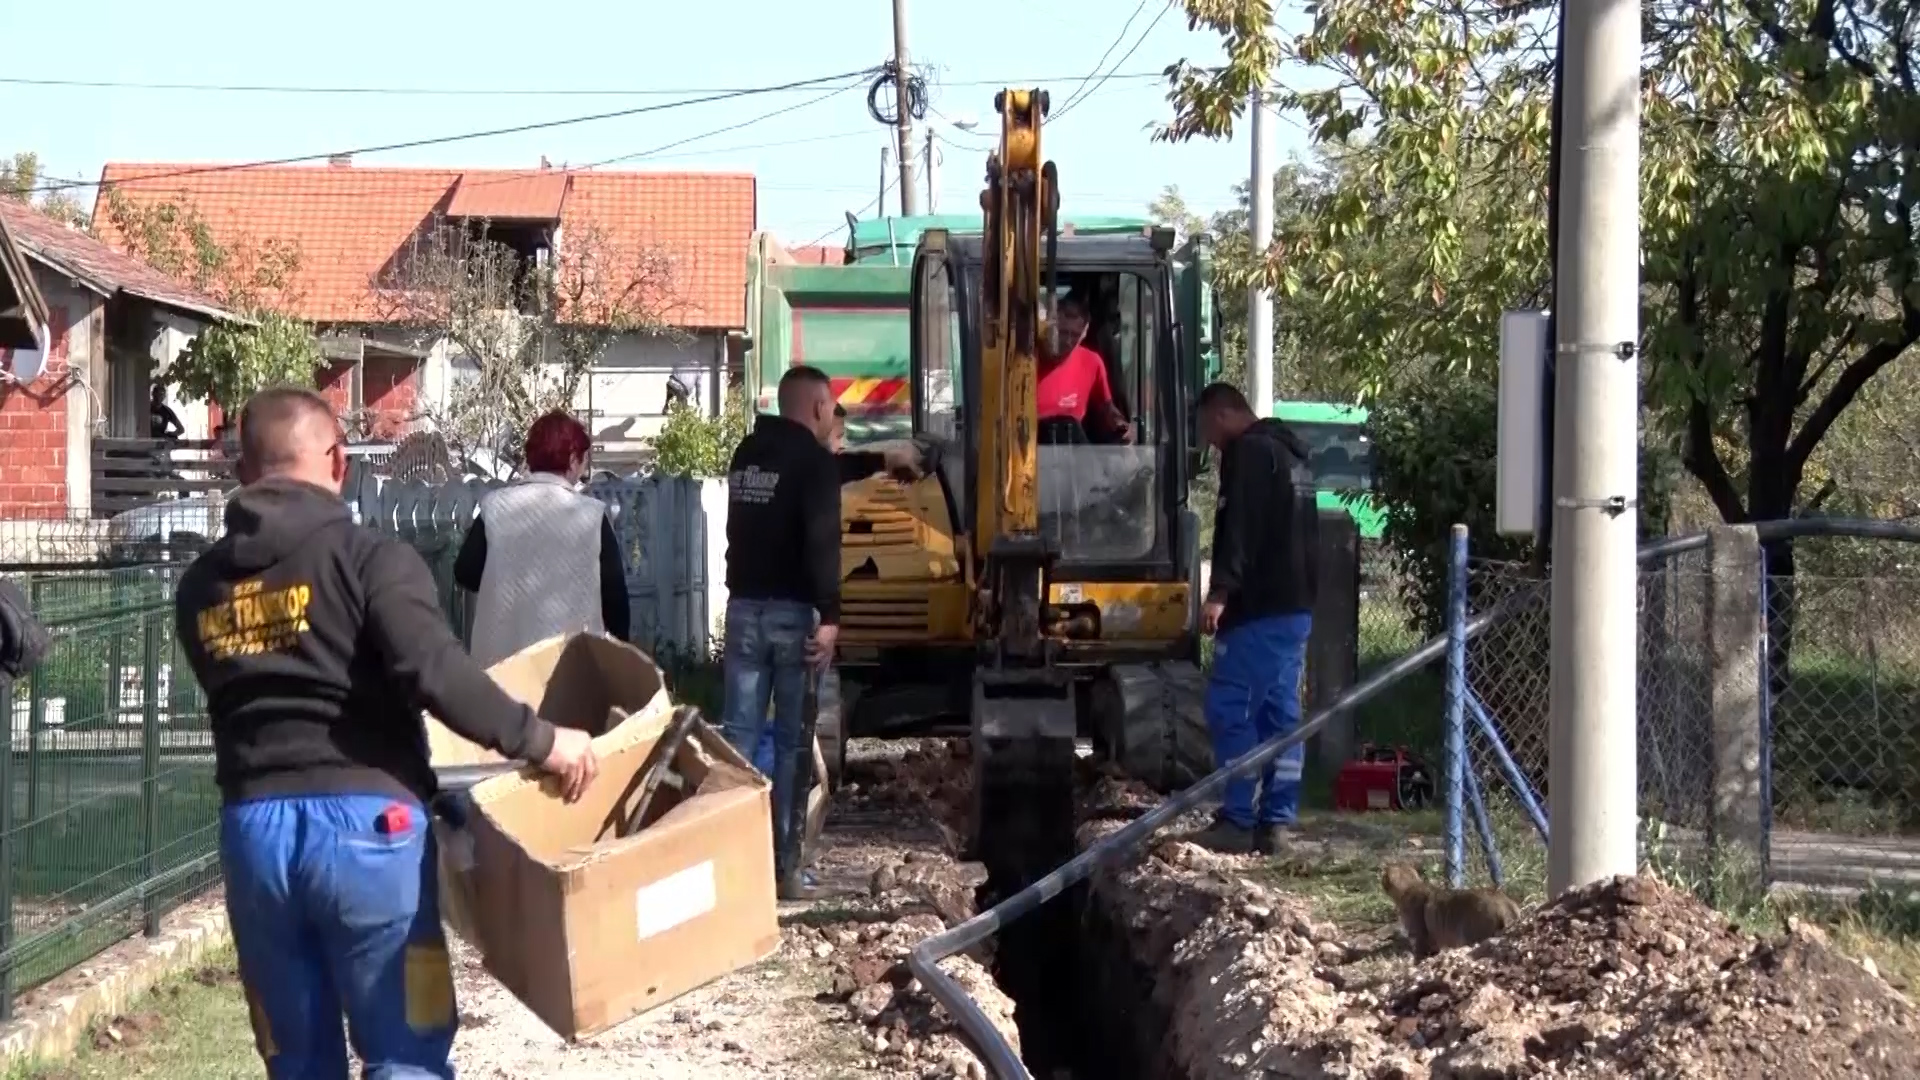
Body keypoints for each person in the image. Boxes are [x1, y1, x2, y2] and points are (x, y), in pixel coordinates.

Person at [173, 386, 598, 1080]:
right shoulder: (370, 560)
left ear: (243, 470)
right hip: (373, 832)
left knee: (297, 1063)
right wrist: (545, 740)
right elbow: (436, 671)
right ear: (338, 460)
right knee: (405, 1052)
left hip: (253, 836)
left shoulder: (199, 588)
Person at [722, 366, 921, 899]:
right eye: (832, 408)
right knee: (790, 745)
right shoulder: (811, 462)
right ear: (815, 408)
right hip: (793, 619)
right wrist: (831, 618)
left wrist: (879, 461)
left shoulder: (747, 453)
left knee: (735, 743)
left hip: (742, 610)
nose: (833, 417)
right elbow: (822, 545)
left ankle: (729, 868)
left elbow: (802, 484)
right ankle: (785, 871)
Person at [1187, 382, 1319, 856]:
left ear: (1221, 415)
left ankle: (1238, 818)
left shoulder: (1247, 455)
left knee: (1232, 708)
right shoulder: (1293, 455)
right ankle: (1277, 823)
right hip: (1295, 608)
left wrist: (1219, 592)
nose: (1209, 442)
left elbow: (1238, 529)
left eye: (1207, 429)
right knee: (1281, 716)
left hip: (1257, 610)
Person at [454, 411, 630, 668]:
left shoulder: (495, 507)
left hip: (501, 672)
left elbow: (465, 573)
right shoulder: (591, 515)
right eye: (583, 461)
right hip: (570, 675)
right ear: (572, 460)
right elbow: (615, 600)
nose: (582, 469)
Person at [1038, 292, 1132, 444]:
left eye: (1075, 335)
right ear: (1049, 327)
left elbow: (1106, 408)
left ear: (1085, 333)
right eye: (1062, 333)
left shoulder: (1092, 362)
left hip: (1072, 448)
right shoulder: (1026, 361)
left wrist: (1119, 422)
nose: (1068, 341)